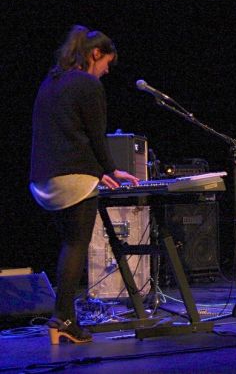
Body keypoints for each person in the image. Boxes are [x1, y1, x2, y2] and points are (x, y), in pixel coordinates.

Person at [29, 25, 139, 344]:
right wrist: (111, 169)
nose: (105, 72)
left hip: (42, 179)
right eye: (106, 64)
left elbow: (66, 136)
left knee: (67, 244)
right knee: (76, 244)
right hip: (73, 178)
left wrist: (97, 172)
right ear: (95, 54)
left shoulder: (51, 81)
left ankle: (62, 316)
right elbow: (95, 135)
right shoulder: (88, 84)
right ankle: (63, 318)